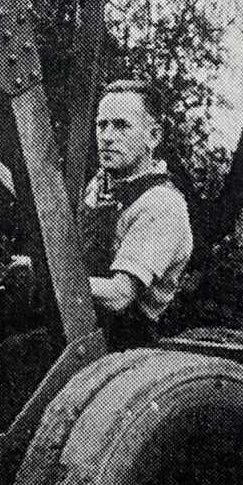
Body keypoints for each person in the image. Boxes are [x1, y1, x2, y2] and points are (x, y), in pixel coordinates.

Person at [78, 79, 193, 347]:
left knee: (19, 353)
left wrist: (45, 275)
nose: (106, 136)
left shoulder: (161, 205)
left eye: (121, 126)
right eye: (101, 125)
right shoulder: (100, 186)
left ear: (153, 136)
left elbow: (119, 296)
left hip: (122, 345)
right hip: (79, 322)